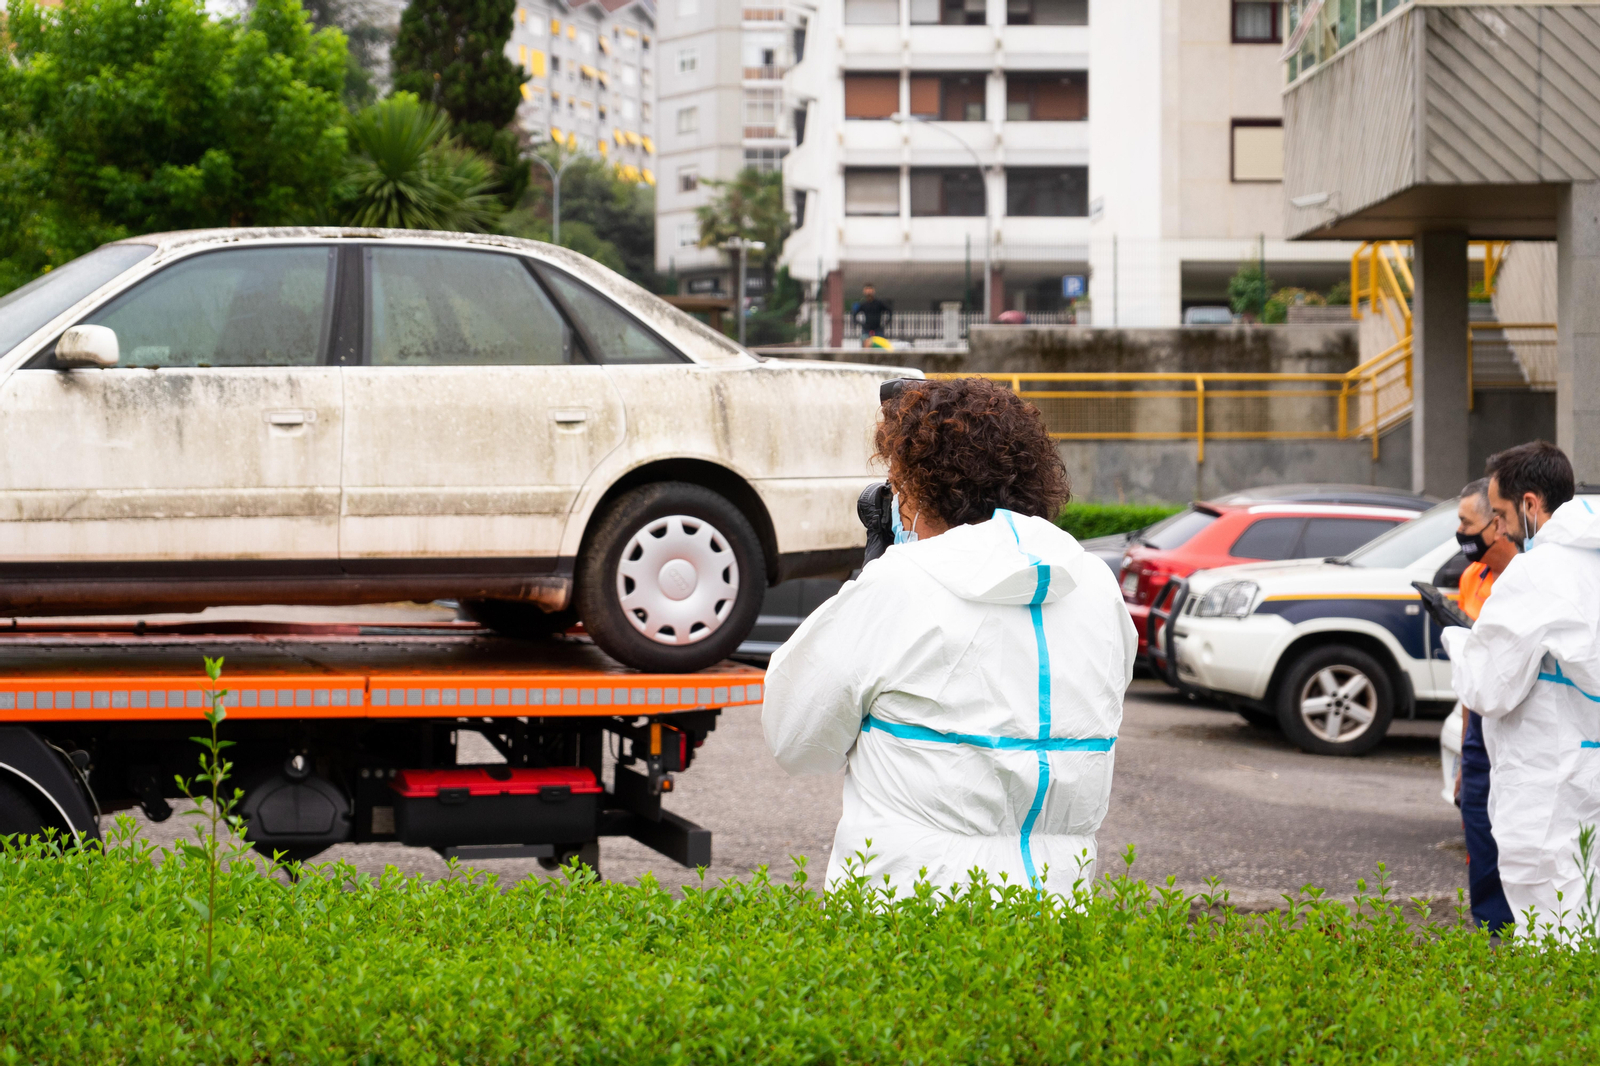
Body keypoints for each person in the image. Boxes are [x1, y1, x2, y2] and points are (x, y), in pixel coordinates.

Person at [761, 377, 1137, 895]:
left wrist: (872, 574)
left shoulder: (898, 586)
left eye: (897, 487)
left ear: (920, 491)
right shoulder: (1094, 584)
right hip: (1057, 908)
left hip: (912, 912)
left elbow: (796, 741)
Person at [1441, 441, 1600, 938]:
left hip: (1547, 776)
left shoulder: (1536, 574)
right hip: (1587, 763)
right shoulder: (1592, 559)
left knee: (1550, 920)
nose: (1500, 529)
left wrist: (1459, 641)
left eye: (1503, 515)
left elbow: (1488, 688)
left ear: (1531, 504)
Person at [1452, 478, 1518, 934]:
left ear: (1497, 524)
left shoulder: (1526, 578)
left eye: (1465, 522)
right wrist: (1464, 752)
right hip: (1479, 724)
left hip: (1516, 719)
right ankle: (1492, 932)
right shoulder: (1471, 578)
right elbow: (1470, 678)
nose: (1460, 532)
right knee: (1478, 823)